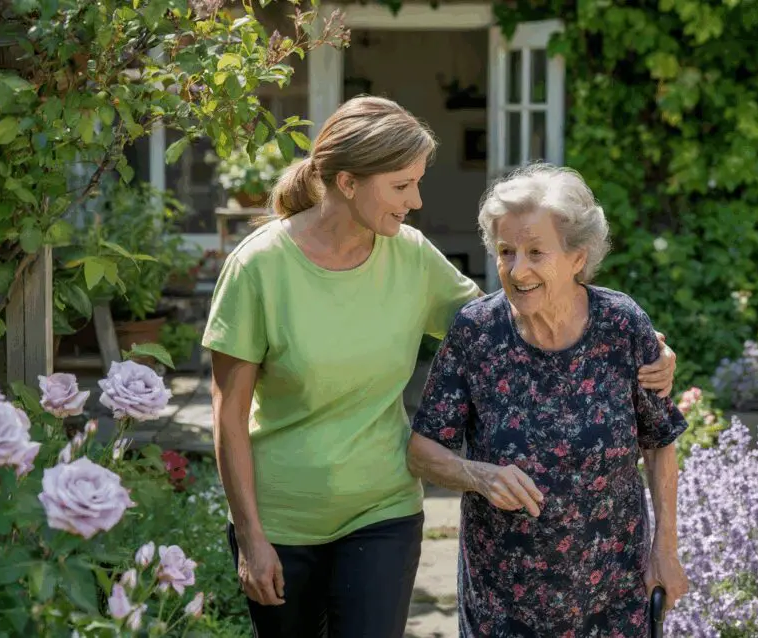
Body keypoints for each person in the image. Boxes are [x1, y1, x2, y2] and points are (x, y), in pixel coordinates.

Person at [202, 97, 680, 637]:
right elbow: (227, 413)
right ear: (348, 183)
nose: (416, 200)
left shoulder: (410, 255)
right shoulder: (258, 266)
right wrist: (251, 535)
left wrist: (648, 349)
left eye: (417, 182)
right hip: (284, 515)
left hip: (382, 510)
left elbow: (507, 318)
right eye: (402, 185)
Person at [407, 163, 690, 637]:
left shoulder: (621, 325)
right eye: (506, 251)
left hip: (613, 592)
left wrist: (665, 549)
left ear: (577, 258)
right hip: (503, 601)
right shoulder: (477, 332)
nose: (518, 270)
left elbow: (659, 440)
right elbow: (422, 450)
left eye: (536, 252)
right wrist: (478, 475)